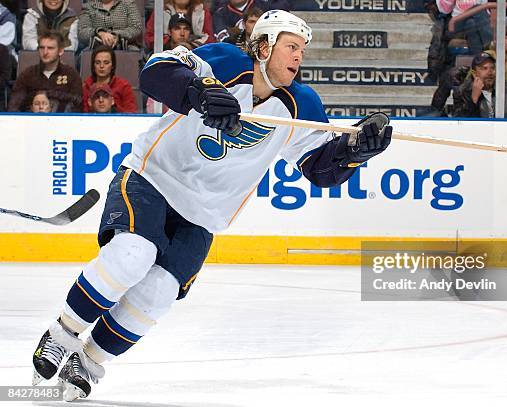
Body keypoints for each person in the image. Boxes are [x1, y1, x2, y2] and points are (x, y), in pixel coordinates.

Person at [30, 10, 392, 401]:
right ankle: (62, 334)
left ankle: (87, 360)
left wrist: (356, 152)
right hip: (153, 178)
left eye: (302, 49)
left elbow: (320, 170)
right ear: (265, 45)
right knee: (133, 254)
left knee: (159, 291)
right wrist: (199, 91)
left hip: (203, 214)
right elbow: (155, 71)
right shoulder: (225, 60)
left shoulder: (301, 104)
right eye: (291, 46)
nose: (299, 56)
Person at [8, 31, 82, 112]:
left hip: (62, 121)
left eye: (50, 48)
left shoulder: (71, 74)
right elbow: (14, 105)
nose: (45, 52)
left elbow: (77, 103)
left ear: (61, 51)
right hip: (31, 121)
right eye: (42, 48)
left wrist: (48, 94)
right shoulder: (28, 74)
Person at [453, 51, 507, 118]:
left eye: (492, 68)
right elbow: (460, 124)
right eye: (484, 68)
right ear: (474, 74)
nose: (490, 72)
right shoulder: (461, 92)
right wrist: (474, 99)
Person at [82, 46, 136, 113]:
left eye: (106, 62)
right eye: (98, 62)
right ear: (93, 65)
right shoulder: (86, 86)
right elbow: (82, 114)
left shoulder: (124, 86)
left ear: (113, 65)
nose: (101, 66)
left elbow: (131, 115)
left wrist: (113, 108)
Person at [145, 0, 215, 51]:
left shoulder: (202, 11)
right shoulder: (160, 10)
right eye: (177, 28)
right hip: (165, 51)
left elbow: (210, 40)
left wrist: (191, 46)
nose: (182, 33)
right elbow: (150, 38)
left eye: (186, 29)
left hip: (195, 52)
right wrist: (171, 45)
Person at [77, 0, 143, 50]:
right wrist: (100, 33)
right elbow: (82, 32)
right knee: (84, 57)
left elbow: (136, 27)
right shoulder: (88, 6)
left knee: (136, 57)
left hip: (125, 46)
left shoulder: (128, 3)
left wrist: (117, 35)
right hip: (96, 47)